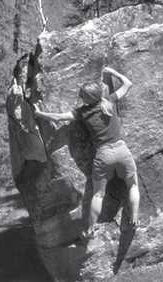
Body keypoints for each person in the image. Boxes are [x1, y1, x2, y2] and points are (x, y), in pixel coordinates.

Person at [33, 67, 140, 240]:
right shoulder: (109, 101)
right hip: (121, 150)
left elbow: (58, 118)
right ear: (99, 93)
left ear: (85, 98)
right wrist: (112, 72)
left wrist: (39, 113)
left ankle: (90, 230)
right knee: (133, 186)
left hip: (103, 155)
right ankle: (134, 218)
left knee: (98, 194)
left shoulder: (83, 112)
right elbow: (128, 83)